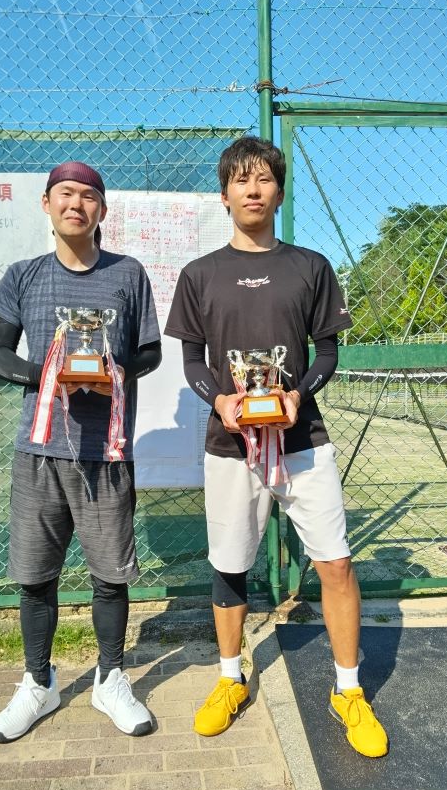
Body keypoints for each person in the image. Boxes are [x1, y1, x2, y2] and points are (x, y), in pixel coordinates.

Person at [164, 136, 388, 757]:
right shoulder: (199, 274)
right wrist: (220, 400)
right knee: (230, 564)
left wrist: (297, 394)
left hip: (302, 440)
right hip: (230, 442)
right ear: (224, 194)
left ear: (280, 192)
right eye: (241, 180)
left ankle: (348, 690)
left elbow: (327, 353)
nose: (253, 190)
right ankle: (230, 678)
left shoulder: (310, 267)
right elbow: (191, 361)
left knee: (335, 562)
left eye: (264, 179)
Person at [0, 160, 162, 743]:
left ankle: (111, 678)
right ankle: (39, 682)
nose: (76, 205)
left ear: (102, 210)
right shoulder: (24, 276)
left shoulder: (128, 274)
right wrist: (49, 374)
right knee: (36, 576)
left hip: (106, 450)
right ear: (47, 203)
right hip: (39, 450)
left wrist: (111, 371)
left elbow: (151, 352)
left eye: (88, 197)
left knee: (110, 574)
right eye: (65, 194)